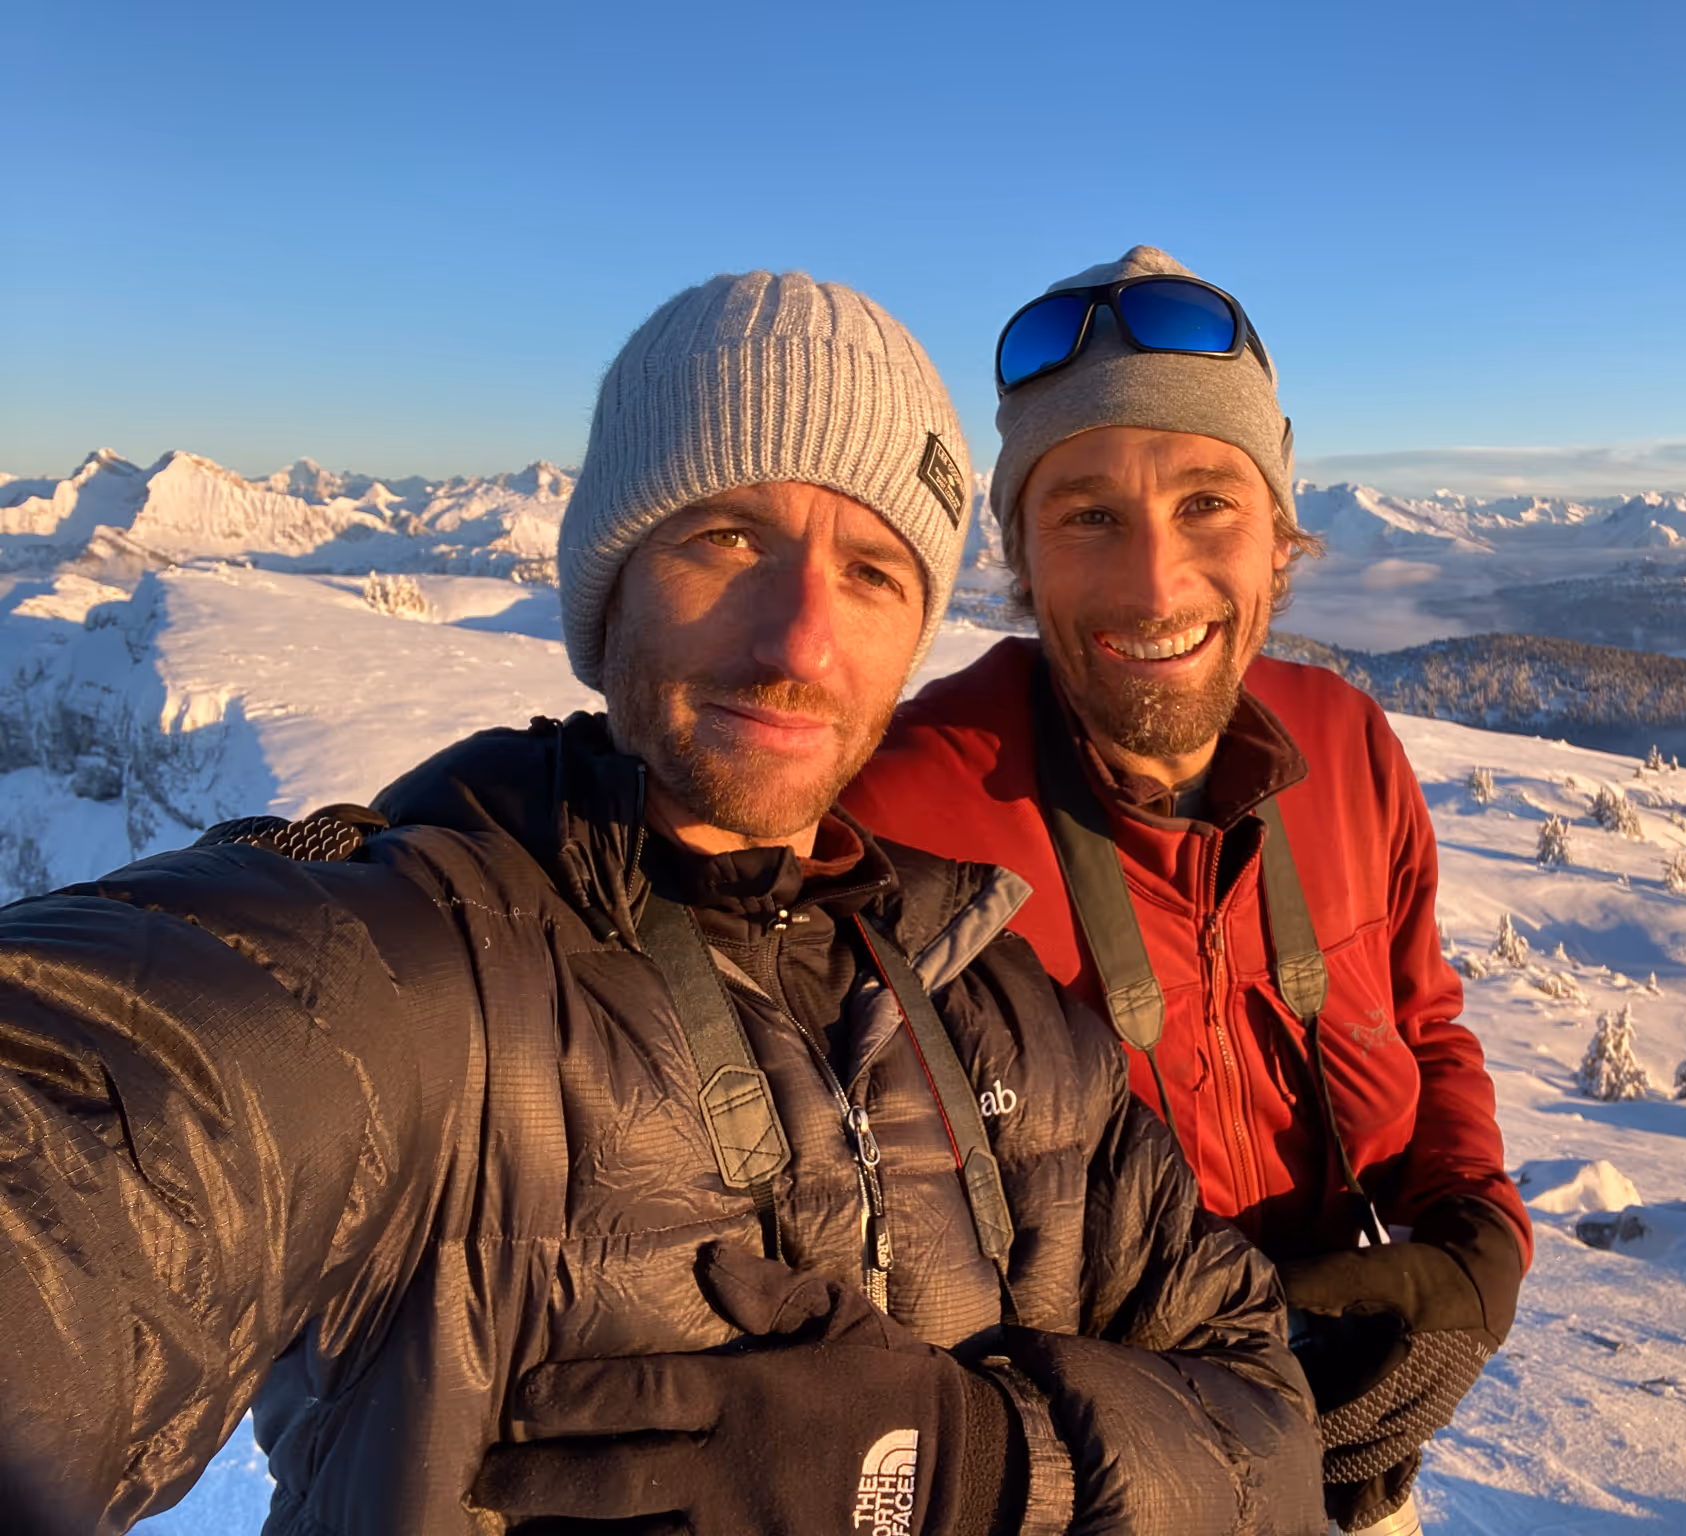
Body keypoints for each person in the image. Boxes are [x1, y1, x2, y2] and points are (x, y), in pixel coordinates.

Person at [0, 271, 1325, 1536]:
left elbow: (1267, 1424)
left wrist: (985, 1467)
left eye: (873, 573)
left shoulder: (993, 1006)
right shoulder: (414, 965)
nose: (800, 639)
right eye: (727, 535)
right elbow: (91, 1132)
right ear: (610, 581)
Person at [842, 246, 1533, 1535]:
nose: (1155, 585)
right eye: (1088, 515)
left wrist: (1473, 1229)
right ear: (1022, 560)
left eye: (1208, 503)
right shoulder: (906, 806)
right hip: (1085, 1475)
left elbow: (1426, 1025)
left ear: (1280, 537)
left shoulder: (1349, 749)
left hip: (1352, 1440)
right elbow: (677, 861)